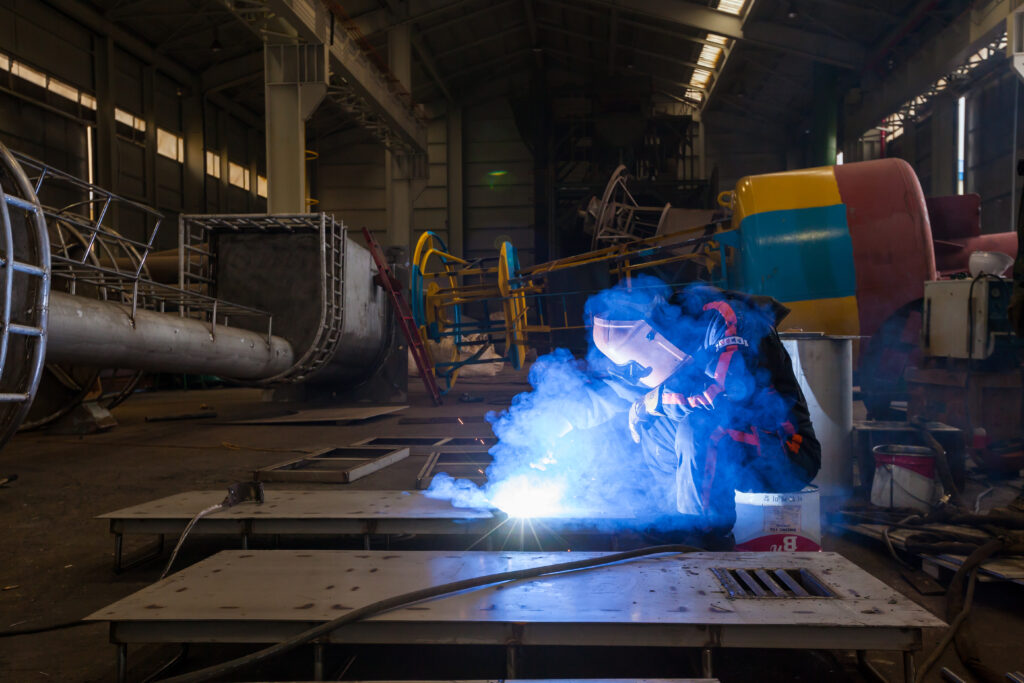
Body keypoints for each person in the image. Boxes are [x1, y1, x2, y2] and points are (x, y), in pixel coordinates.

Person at [563, 279, 821, 546]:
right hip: (739, 452)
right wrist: (554, 428)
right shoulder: (662, 341)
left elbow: (728, 392)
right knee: (651, 425)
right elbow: (612, 392)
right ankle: (671, 520)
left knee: (699, 426)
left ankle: (705, 538)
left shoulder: (724, 318)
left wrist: (655, 400)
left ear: (654, 332)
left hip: (786, 452)